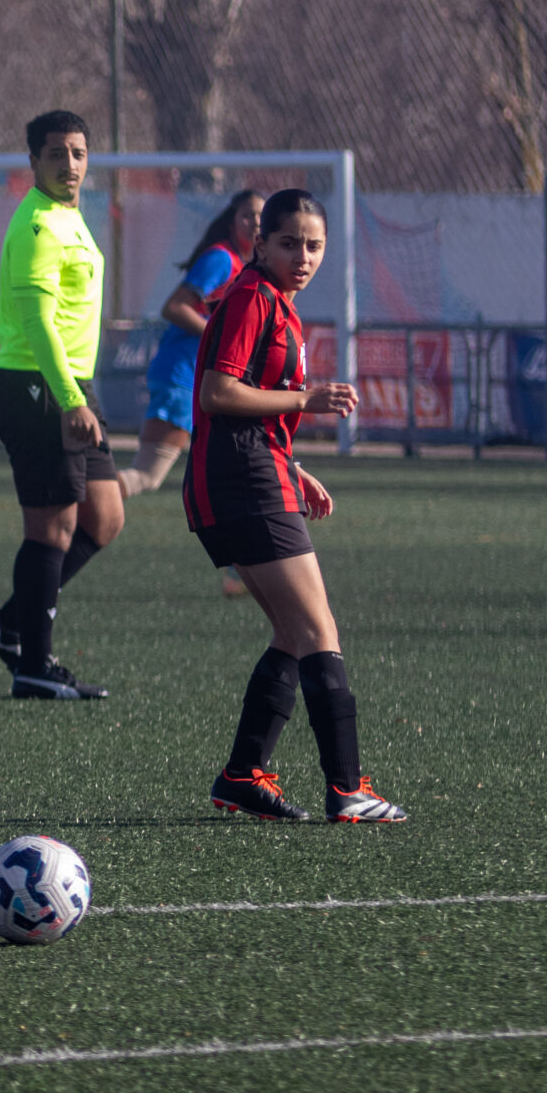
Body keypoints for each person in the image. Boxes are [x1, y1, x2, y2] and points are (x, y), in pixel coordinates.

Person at [187, 188, 406, 825]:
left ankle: (241, 777)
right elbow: (218, 394)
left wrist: (294, 467)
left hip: (252, 477)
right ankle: (348, 789)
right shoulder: (254, 297)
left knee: (293, 632)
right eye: (289, 243)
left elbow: (249, 409)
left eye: (314, 246)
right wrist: (305, 402)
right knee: (319, 632)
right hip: (243, 485)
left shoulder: (276, 303)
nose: (302, 256)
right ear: (260, 244)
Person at [0, 110, 121, 700]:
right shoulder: (36, 224)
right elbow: (35, 321)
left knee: (103, 519)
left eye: (78, 152)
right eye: (56, 153)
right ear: (33, 161)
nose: (70, 164)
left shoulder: (71, 218)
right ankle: (35, 664)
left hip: (71, 388)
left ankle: (12, 622)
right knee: (53, 530)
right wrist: (67, 399)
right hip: (39, 389)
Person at [124, 189, 264, 598]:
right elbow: (175, 307)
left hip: (201, 382)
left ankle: (244, 573)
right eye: (247, 216)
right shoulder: (222, 259)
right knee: (149, 476)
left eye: (262, 217)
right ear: (232, 220)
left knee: (235, 476)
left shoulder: (244, 267)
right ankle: (87, 502)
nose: (255, 224)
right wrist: (220, 340)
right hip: (186, 380)